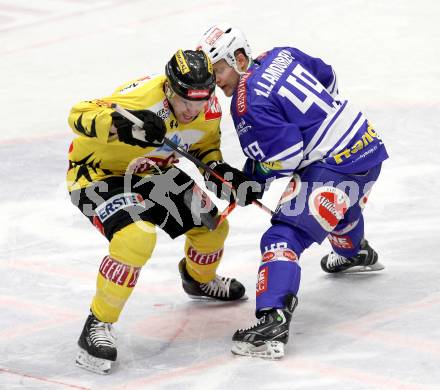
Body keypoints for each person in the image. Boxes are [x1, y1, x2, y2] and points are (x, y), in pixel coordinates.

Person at [198, 24, 389, 359]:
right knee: (337, 203)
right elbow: (327, 77)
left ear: (239, 58)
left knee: (282, 237)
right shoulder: (279, 54)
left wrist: (251, 180)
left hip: (337, 166)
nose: (216, 80)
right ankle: (353, 252)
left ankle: (273, 322)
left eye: (219, 69)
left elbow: (283, 158)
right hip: (367, 145)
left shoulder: (246, 104)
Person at [67, 49, 257, 374]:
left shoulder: (207, 107)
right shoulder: (142, 98)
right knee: (136, 239)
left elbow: (203, 147)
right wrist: (118, 125)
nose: (191, 110)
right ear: (169, 88)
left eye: (200, 101)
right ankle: (97, 324)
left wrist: (222, 174)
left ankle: (199, 281)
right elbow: (77, 113)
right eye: (186, 102)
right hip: (100, 175)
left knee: (213, 229)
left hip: (152, 173)